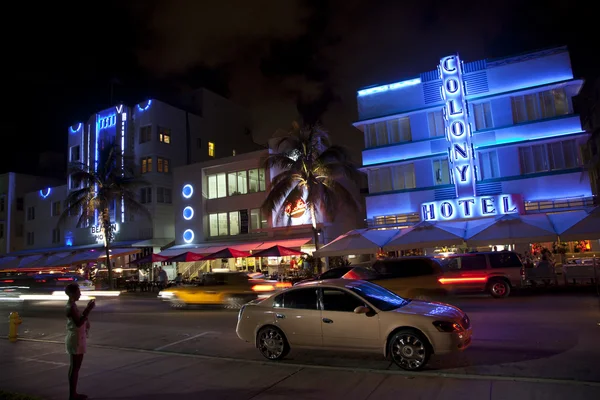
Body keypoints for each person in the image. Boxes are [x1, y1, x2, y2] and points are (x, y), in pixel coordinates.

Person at [65, 283, 95, 400]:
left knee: (76, 367)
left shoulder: (72, 305)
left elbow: (80, 319)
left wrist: (86, 313)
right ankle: (72, 395)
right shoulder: (70, 307)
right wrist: (88, 309)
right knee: (75, 367)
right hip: (75, 338)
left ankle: (73, 394)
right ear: (72, 294)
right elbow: (78, 323)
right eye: (78, 292)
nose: (80, 294)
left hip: (78, 337)